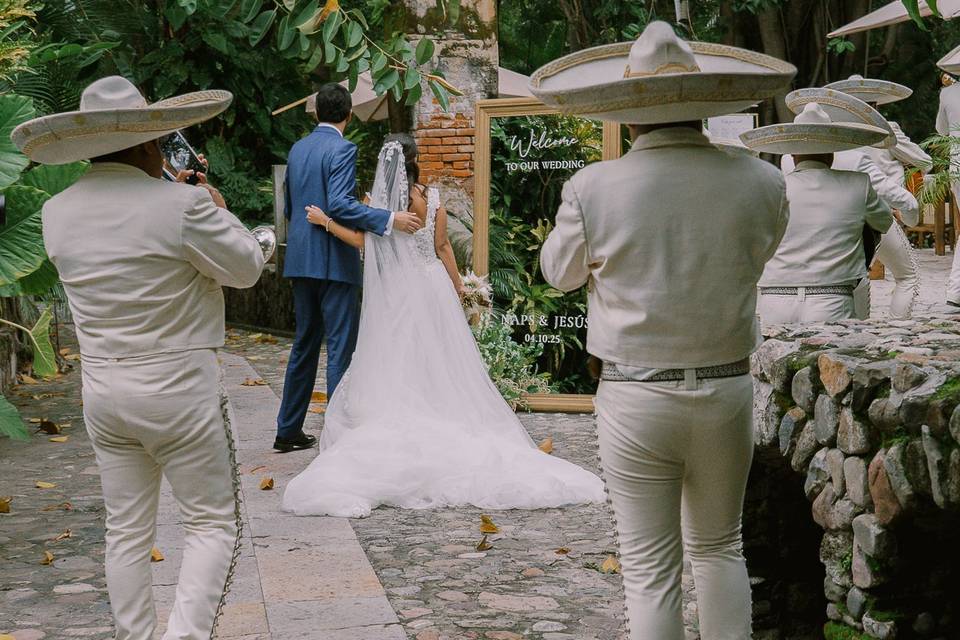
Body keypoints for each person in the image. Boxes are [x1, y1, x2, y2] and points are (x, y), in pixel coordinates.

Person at [532, 22, 795, 640]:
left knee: (650, 571)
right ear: (703, 107)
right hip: (727, 387)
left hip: (635, 393)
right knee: (721, 547)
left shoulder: (593, 187)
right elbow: (761, 254)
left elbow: (558, 275)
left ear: (627, 112)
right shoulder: (762, 180)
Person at [11, 76, 267, 640]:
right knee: (210, 524)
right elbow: (246, 267)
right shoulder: (183, 206)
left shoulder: (56, 212)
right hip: (178, 387)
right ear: (149, 142)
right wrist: (216, 208)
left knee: (125, 531)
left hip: (104, 390)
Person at [280, 134, 605, 517]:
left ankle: (404, 413)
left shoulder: (377, 204)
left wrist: (325, 222)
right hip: (431, 288)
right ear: (416, 160)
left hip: (396, 293)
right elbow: (443, 248)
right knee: (440, 359)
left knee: (396, 356)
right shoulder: (431, 199)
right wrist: (458, 289)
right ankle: (439, 411)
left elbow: (362, 243)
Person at [273, 83, 423, 453]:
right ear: (349, 115)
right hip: (334, 260)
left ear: (316, 112)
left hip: (301, 259)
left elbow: (290, 207)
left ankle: (287, 429)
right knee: (340, 347)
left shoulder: (297, 149)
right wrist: (389, 218)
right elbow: (340, 204)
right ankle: (337, 436)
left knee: (304, 344)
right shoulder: (343, 148)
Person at [741, 103, 894, 326]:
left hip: (774, 299)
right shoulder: (858, 183)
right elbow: (884, 222)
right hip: (833, 298)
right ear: (832, 151)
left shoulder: (769, 187)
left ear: (792, 152)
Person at [823, 76, 927, 319]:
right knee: (908, 275)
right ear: (875, 105)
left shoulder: (833, 134)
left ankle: (857, 329)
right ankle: (897, 328)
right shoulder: (886, 129)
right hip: (884, 210)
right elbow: (923, 161)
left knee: (856, 275)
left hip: (839, 212)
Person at [937, 70, 960, 308]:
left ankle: (955, 291)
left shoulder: (947, 93)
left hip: (957, 166)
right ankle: (955, 290)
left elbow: (941, 129)